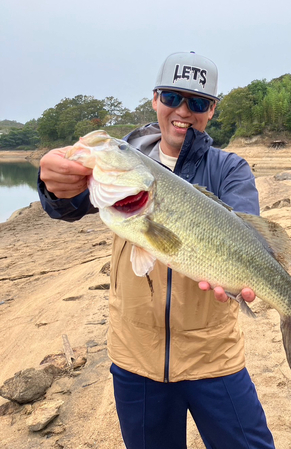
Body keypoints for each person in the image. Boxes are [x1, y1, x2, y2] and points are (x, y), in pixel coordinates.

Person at [38, 51, 275, 449]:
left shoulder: (229, 168)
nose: (183, 111)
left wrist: (239, 276)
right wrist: (51, 184)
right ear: (155, 99)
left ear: (211, 110)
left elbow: (244, 229)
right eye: (172, 97)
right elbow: (65, 206)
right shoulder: (120, 164)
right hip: (136, 359)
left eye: (197, 103)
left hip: (213, 357)